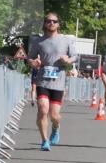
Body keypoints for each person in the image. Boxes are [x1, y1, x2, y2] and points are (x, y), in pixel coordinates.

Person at [28, 13, 77, 151]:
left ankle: (55, 128)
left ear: (58, 24)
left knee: (54, 115)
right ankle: (44, 141)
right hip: (42, 81)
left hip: (58, 82)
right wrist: (34, 63)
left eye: (54, 21)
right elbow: (30, 58)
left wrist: (68, 60)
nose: (51, 23)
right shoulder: (39, 41)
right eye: (48, 21)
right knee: (43, 109)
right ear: (44, 23)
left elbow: (75, 56)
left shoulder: (66, 40)